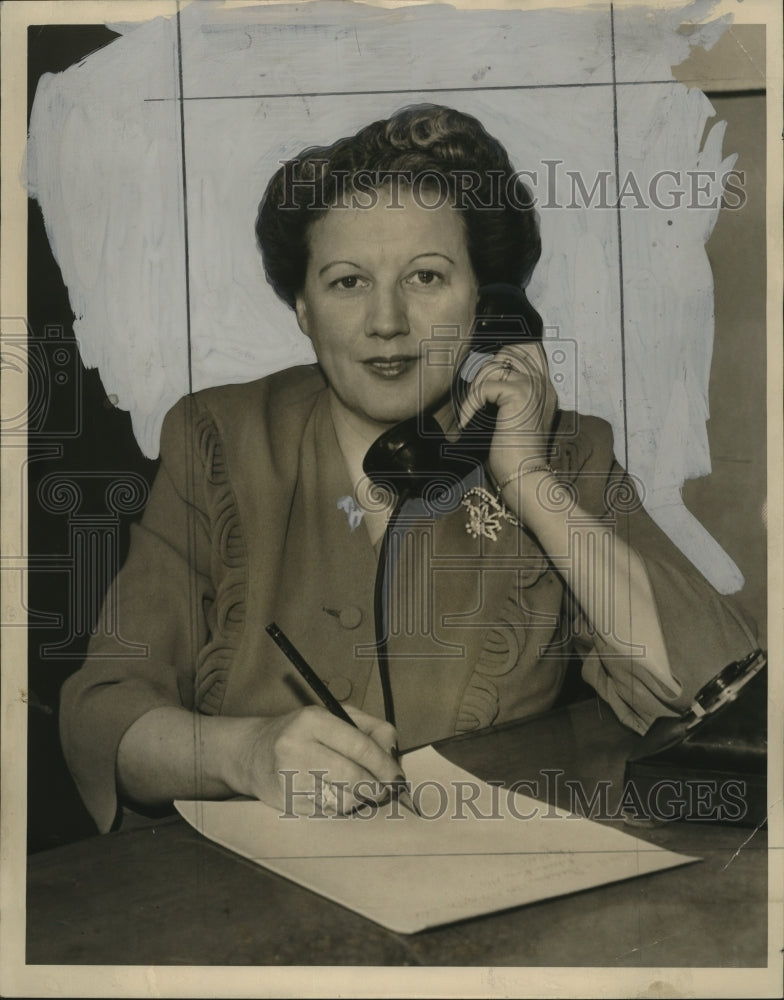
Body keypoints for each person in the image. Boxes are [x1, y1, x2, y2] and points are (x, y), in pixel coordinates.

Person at [60, 105, 758, 833]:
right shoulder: (220, 441)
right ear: (302, 306)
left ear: (487, 303)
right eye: (347, 282)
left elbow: (716, 687)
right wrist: (246, 751)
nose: (386, 321)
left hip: (488, 887)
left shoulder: (564, 454)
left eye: (426, 277)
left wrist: (526, 479)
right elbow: (101, 715)